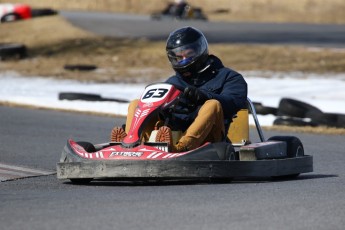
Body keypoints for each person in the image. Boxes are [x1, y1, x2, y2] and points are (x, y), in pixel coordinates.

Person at [111, 26, 247, 153]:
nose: (183, 61)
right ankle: (131, 143)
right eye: (179, 57)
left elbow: (235, 102)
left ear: (200, 51)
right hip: (171, 133)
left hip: (210, 137)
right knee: (136, 103)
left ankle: (181, 148)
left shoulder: (229, 77)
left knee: (212, 105)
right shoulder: (173, 82)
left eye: (188, 55)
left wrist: (204, 96)